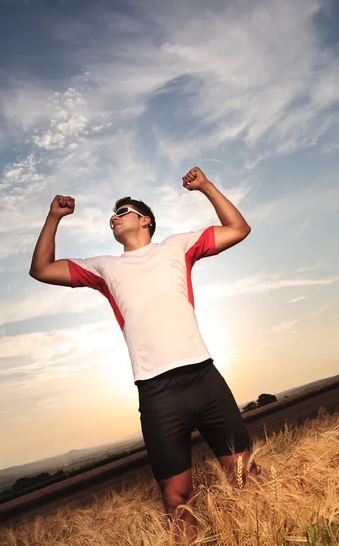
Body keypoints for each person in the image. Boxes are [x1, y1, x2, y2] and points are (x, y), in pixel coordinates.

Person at [29, 166, 258, 543]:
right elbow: (41, 269)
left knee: (245, 476)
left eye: (122, 212)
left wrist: (205, 187)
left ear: (145, 220)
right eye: (111, 217)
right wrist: (54, 218)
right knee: (176, 498)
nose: (113, 219)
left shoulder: (177, 246)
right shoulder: (104, 266)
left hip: (204, 379)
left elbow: (238, 229)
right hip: (156, 394)